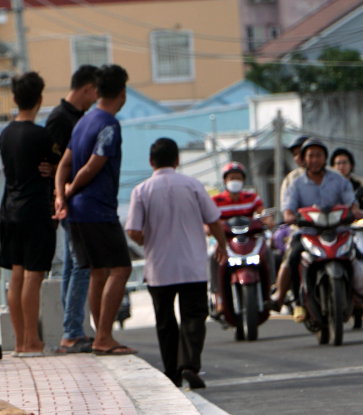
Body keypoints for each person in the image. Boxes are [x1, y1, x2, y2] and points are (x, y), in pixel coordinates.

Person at [125, 139, 228, 389]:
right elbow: (214, 220)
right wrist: (222, 245)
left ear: (151, 162)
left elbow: (133, 230)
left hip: (159, 268)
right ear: (177, 160)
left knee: (165, 321)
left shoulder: (141, 190)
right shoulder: (193, 185)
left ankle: (171, 371)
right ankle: (190, 365)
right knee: (193, 317)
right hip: (192, 265)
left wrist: (147, 237)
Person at [53, 64, 137, 356]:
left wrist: (61, 194)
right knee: (121, 268)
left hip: (76, 212)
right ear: (122, 92)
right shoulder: (109, 125)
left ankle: (100, 333)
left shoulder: (83, 122)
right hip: (96, 209)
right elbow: (94, 164)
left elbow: (65, 163)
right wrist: (72, 189)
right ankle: (103, 336)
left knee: (97, 271)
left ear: (98, 90)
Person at [0, 71, 62, 356]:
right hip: (35, 211)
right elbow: (57, 165)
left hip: (8, 211)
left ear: (14, 98)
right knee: (34, 276)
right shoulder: (41, 135)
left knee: (17, 276)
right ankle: (32, 340)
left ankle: (21, 342)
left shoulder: (5, 135)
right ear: (40, 99)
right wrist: (55, 169)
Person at [266, 138, 358, 321]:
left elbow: (350, 200)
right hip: (307, 233)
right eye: (310, 156)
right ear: (303, 159)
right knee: (293, 257)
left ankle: (358, 294)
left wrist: (355, 210)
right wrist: (290, 215)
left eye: (318, 155)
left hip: (336, 230)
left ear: (325, 158)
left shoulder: (338, 180)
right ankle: (298, 303)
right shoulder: (296, 183)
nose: (314, 159)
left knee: (357, 252)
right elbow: (288, 208)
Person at [44, 65, 99, 353]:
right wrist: (60, 192)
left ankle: (72, 327)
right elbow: (53, 163)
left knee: (72, 265)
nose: (96, 99)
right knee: (80, 265)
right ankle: (73, 330)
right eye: (95, 92)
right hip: (69, 201)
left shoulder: (80, 118)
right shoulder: (60, 119)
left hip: (73, 200)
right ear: (88, 88)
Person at [208, 162, 267, 317]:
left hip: (249, 242)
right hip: (224, 243)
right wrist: (207, 228)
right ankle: (218, 297)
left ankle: (271, 290)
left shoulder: (252, 198)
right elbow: (208, 221)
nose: (235, 180)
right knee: (212, 257)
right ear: (225, 181)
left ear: (243, 180)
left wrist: (267, 219)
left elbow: (263, 214)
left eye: (238, 177)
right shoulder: (216, 200)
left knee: (268, 252)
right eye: (231, 177)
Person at [279, 134, 310, 205]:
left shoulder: (332, 175)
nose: (297, 157)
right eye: (295, 154)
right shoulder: (290, 179)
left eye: (301, 153)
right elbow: (286, 206)